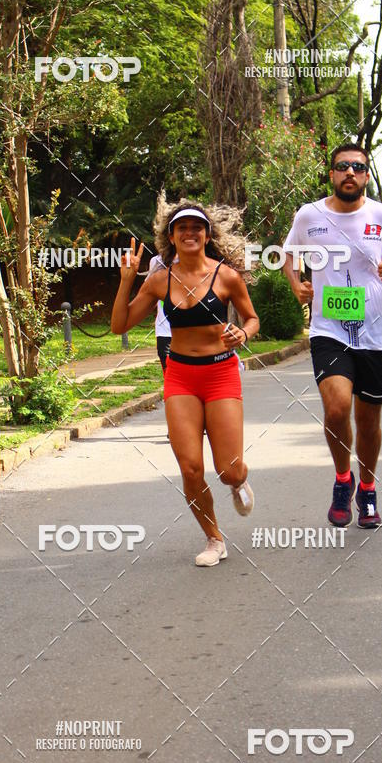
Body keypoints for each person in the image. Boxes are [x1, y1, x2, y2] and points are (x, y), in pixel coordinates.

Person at [111, 198, 259, 566]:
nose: (190, 233)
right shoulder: (160, 279)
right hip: (180, 376)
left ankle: (240, 480)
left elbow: (252, 318)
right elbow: (119, 326)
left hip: (221, 373)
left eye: (197, 227)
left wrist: (242, 334)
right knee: (190, 467)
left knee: (228, 469)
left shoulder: (226, 276)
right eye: (182, 228)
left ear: (207, 235)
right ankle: (214, 539)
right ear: (171, 237)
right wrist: (128, 281)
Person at [283, 143, 382, 528]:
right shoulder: (309, 215)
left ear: (366, 176)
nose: (350, 173)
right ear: (332, 174)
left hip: (376, 333)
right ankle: (343, 480)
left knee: (369, 420)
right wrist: (297, 285)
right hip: (329, 330)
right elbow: (289, 255)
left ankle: (369, 488)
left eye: (357, 167)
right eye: (342, 166)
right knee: (337, 408)